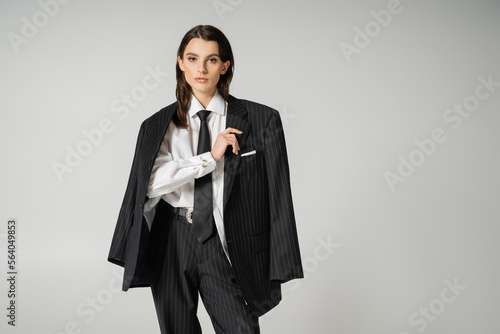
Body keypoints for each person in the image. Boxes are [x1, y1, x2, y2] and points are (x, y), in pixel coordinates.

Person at [108, 24, 303, 334]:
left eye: (211, 60)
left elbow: (279, 196)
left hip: (223, 240)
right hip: (170, 238)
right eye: (192, 58)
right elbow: (150, 183)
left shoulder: (262, 119)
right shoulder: (157, 124)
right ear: (180, 62)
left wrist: (282, 261)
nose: (201, 68)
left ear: (225, 66)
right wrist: (210, 158)